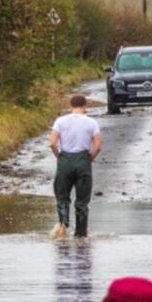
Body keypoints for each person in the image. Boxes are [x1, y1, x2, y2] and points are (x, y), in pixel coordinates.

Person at [47, 94, 103, 239]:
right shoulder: (91, 122)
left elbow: (52, 143)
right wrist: (89, 159)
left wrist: (59, 157)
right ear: (85, 106)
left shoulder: (60, 121)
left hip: (65, 159)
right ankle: (81, 235)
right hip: (83, 160)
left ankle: (63, 229)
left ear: (71, 105)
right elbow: (97, 146)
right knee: (82, 202)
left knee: (62, 197)